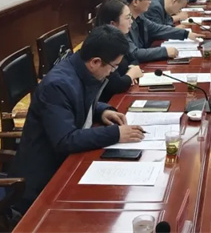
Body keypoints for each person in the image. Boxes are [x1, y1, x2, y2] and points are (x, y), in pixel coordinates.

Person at [10, 26, 146, 214]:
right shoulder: (57, 85)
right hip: (46, 180)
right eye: (113, 67)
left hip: (69, 161)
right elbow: (65, 140)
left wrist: (101, 111)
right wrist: (116, 134)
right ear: (95, 62)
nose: (112, 73)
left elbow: (76, 102)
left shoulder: (80, 69)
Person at [122, 0, 200, 63]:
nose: (150, 2)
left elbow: (158, 29)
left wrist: (185, 34)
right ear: (135, 2)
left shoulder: (140, 17)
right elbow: (134, 53)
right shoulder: (122, 22)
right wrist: (164, 51)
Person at [94, 0, 144, 102]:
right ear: (113, 24)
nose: (131, 21)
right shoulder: (104, 44)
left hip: (122, 94)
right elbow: (116, 84)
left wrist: (130, 70)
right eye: (127, 18)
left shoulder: (121, 38)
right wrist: (131, 75)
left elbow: (134, 59)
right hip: (108, 101)